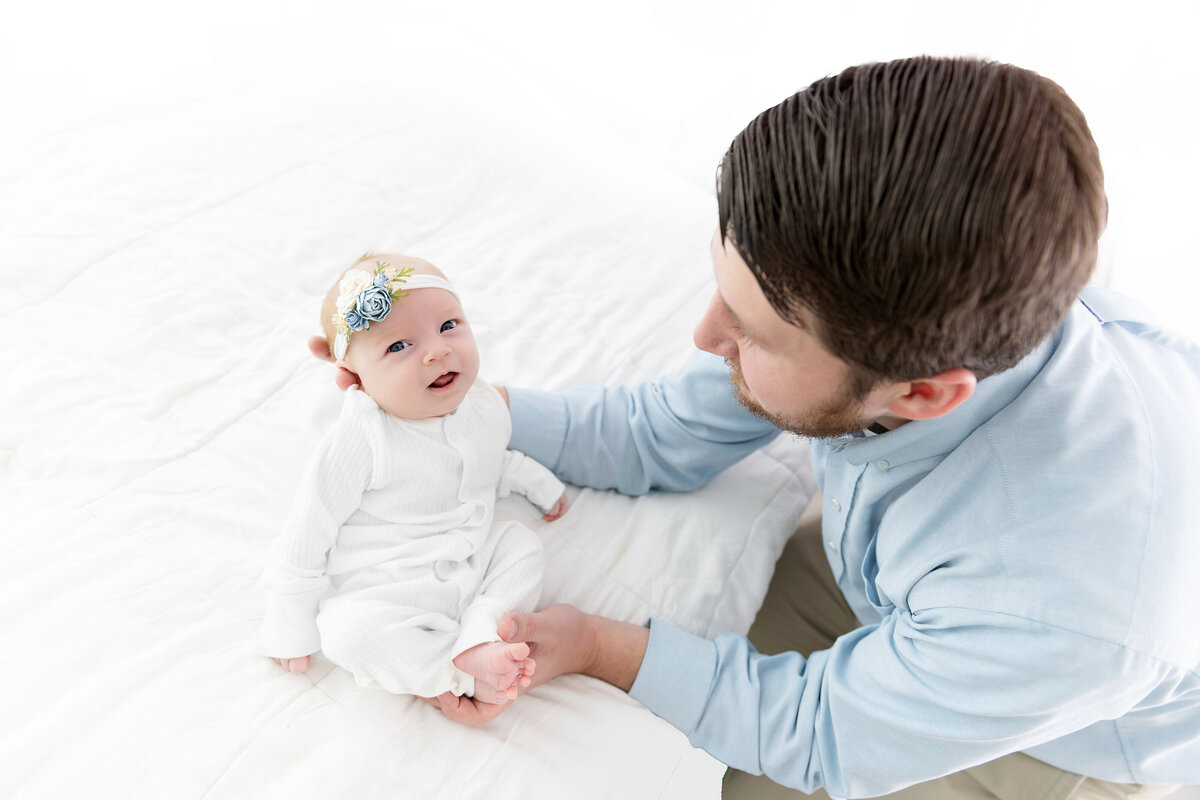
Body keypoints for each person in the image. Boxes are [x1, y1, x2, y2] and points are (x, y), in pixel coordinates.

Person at [310, 59, 1200, 798]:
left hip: (1071, 742)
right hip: (907, 583)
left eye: (755, 332)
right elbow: (664, 431)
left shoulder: (1059, 614)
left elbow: (819, 733)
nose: (705, 336)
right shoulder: (940, 293)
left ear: (925, 394)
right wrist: (462, 406)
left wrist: (600, 646)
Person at [264, 253, 568, 707]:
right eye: (398, 346)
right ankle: (454, 671)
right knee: (345, 633)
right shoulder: (362, 438)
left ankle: (480, 635)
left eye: (449, 326)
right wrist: (290, 626)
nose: (437, 350)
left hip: (469, 562)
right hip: (389, 589)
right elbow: (307, 531)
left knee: (523, 548)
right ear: (356, 379)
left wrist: (532, 479)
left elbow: (491, 461)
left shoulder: (482, 404)